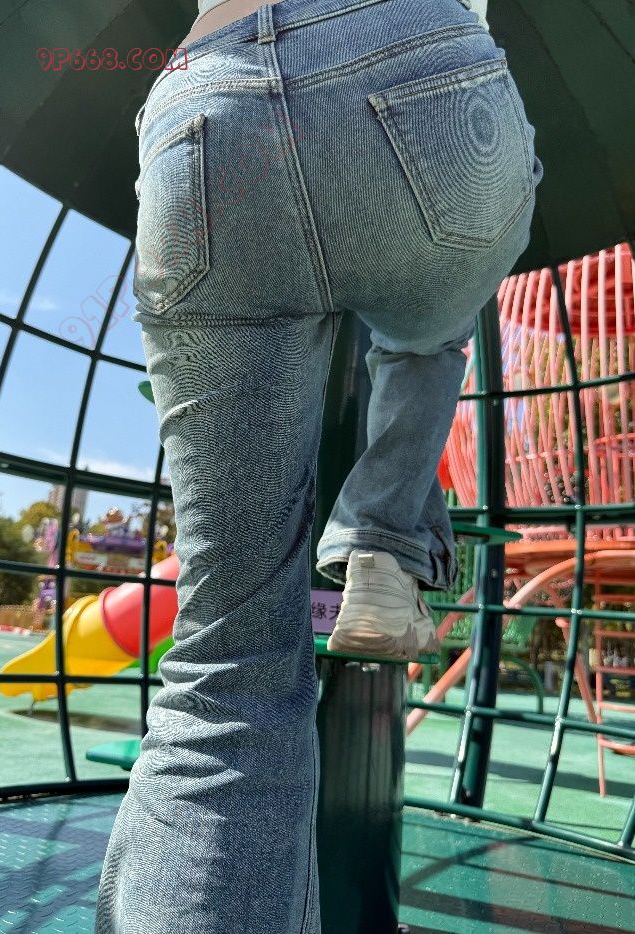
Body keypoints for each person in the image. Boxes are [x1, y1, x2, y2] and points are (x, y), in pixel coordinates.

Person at [94, 0, 543, 931]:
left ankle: (379, 536)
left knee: (226, 672)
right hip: (424, 69)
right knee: (428, 333)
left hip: (207, 111)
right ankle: (381, 539)